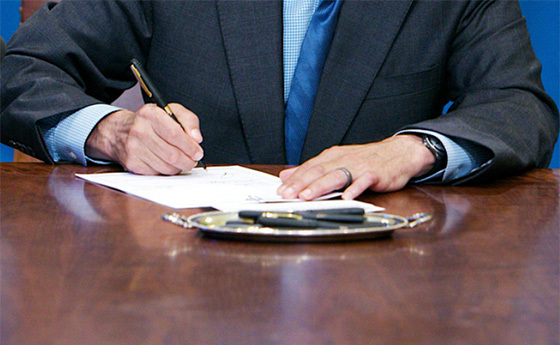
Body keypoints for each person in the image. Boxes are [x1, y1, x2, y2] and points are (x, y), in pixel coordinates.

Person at [1, 0, 558, 201]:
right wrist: (111, 131)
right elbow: (20, 71)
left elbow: (519, 103)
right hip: (185, 279)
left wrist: (412, 150)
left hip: (389, 286)